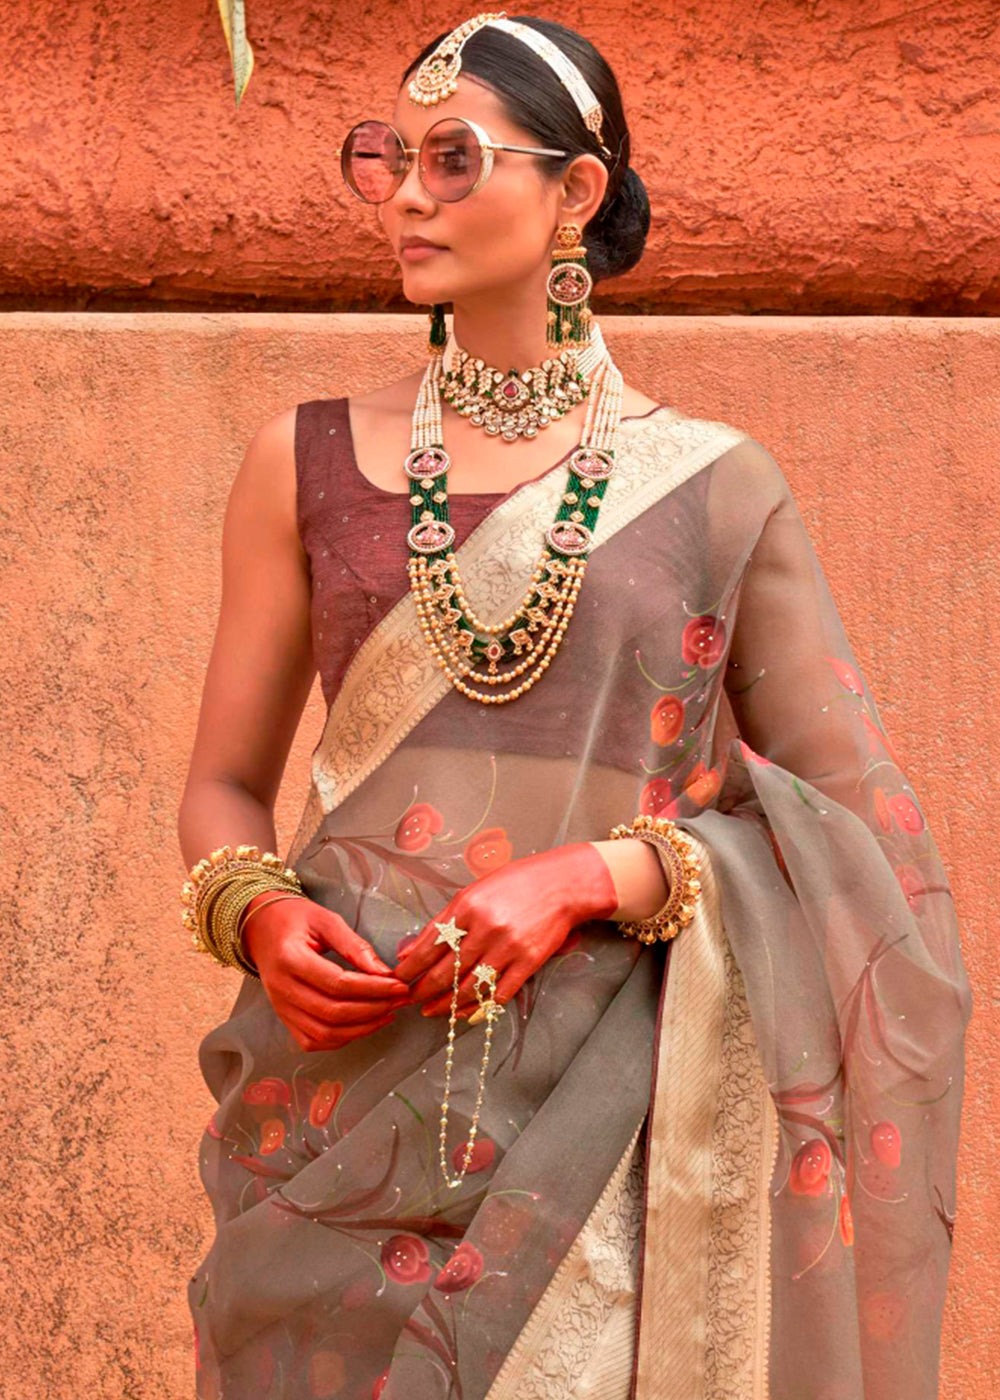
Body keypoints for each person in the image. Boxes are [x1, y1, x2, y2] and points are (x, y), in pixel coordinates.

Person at [179, 15, 971, 1400]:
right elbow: (225, 785)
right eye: (387, 159)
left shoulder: (718, 487)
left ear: (577, 194)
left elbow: (862, 832)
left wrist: (599, 875)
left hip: (605, 1135)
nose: (409, 194)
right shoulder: (298, 461)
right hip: (333, 1116)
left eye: (452, 156)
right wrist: (251, 903)